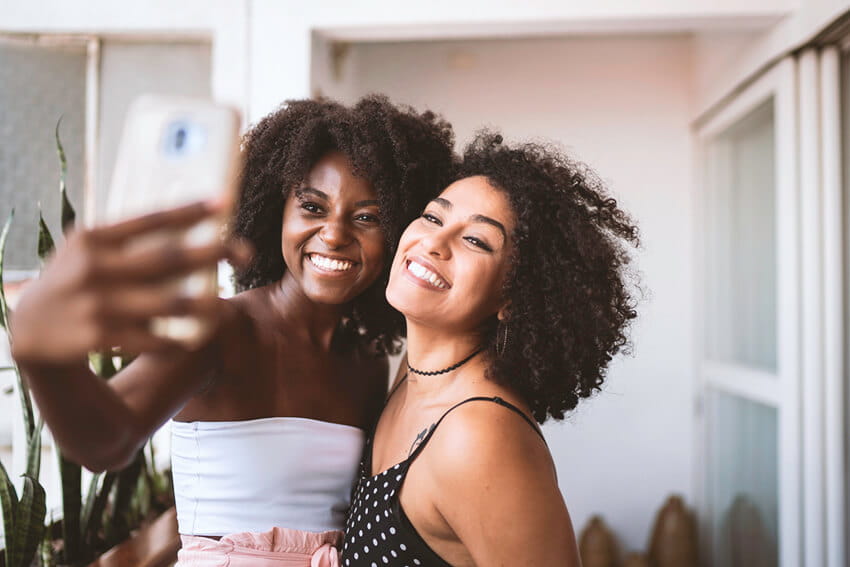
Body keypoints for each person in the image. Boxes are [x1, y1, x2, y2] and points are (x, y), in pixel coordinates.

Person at [9, 95, 455, 566]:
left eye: (367, 217)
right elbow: (106, 441)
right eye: (312, 206)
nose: (335, 233)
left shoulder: (367, 360)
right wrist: (42, 355)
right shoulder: (222, 329)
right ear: (274, 211)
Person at [342, 132, 640, 566]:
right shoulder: (414, 371)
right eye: (432, 217)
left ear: (512, 298)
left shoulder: (476, 434)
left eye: (476, 241)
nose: (433, 243)